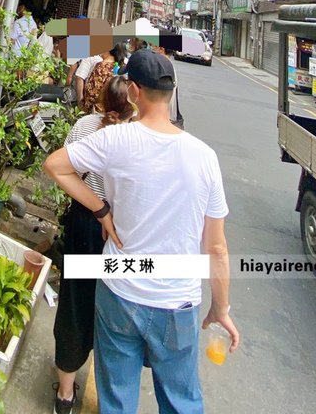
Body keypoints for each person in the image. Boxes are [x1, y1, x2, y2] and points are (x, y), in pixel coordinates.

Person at [44, 48, 239, 414]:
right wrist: (221, 308)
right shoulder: (205, 157)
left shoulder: (116, 138)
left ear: (134, 90)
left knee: (117, 397)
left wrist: (101, 210)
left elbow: (55, 165)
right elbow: (217, 249)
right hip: (178, 302)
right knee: (181, 401)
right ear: (171, 92)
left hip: (120, 291)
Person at [52, 76, 137, 414]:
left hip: (82, 223)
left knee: (74, 301)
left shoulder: (84, 125)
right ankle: (112, 396)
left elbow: (64, 172)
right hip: (115, 231)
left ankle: (65, 393)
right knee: (113, 310)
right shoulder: (134, 139)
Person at [80, 44, 125, 113]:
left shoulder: (101, 66)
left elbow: (92, 92)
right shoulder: (122, 67)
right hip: (116, 112)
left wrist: (85, 107)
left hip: (99, 112)